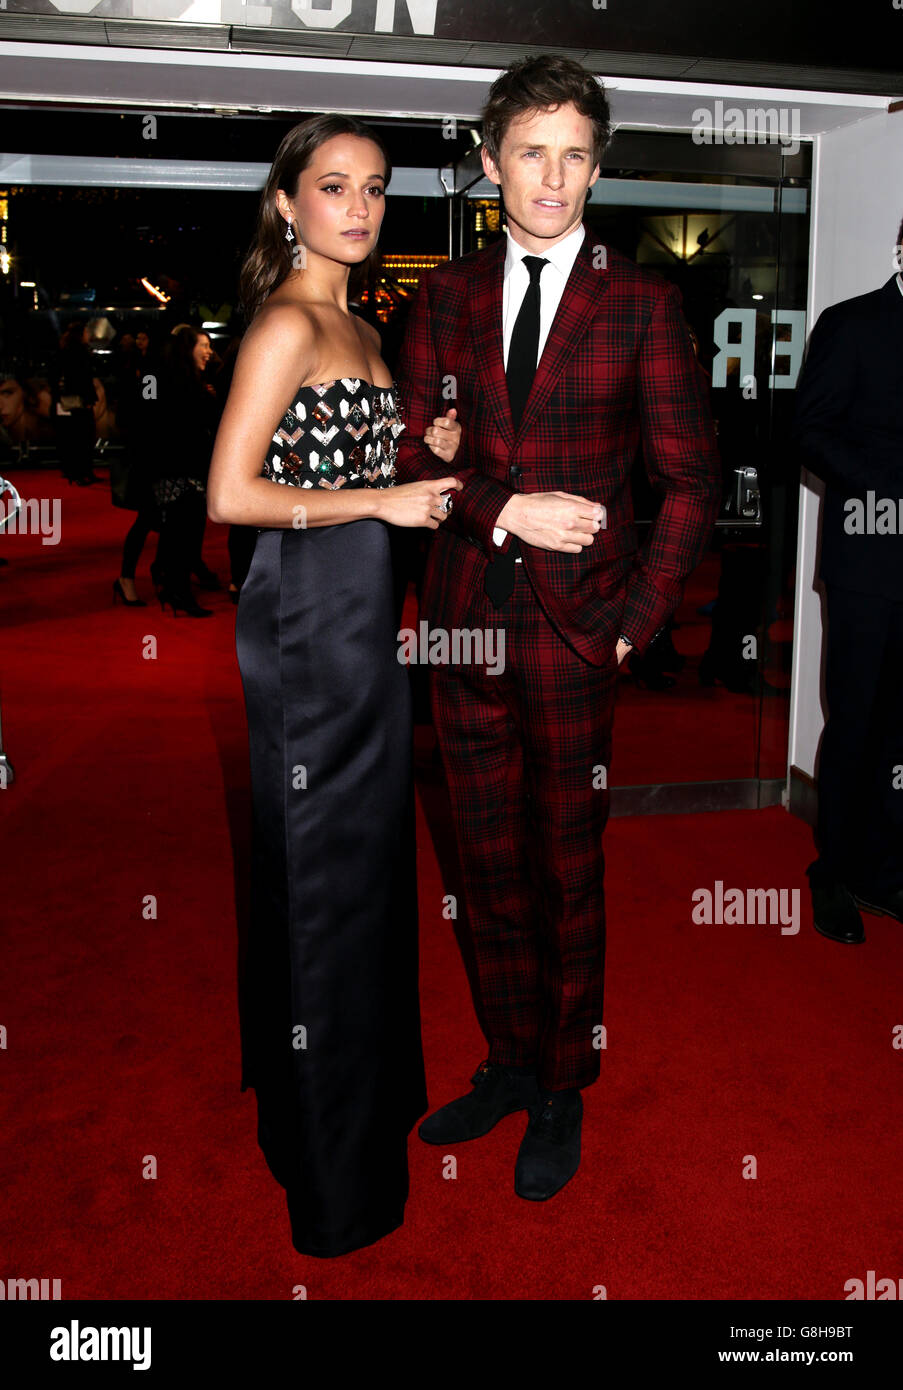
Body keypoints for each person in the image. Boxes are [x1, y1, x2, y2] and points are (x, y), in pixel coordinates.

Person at [395, 55, 722, 1201]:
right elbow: (408, 452)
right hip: (460, 624)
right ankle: (505, 1056)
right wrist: (497, 502)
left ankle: (561, 1086)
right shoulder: (439, 297)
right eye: (532, 151)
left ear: (597, 166)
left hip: (582, 635)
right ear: (490, 163)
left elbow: (692, 482)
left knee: (565, 867)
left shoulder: (640, 303)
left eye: (575, 154)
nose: (554, 176)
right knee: (482, 865)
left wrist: (636, 624)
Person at [206, 113, 463, 1257]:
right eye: (333, 187)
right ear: (287, 203)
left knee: (359, 872)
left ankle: (336, 1103)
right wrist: (380, 501)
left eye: (374, 189)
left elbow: (354, 460)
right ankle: (330, 1165)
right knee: (324, 880)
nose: (357, 207)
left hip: (361, 610)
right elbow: (229, 497)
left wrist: (424, 453)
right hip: (308, 615)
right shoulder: (283, 325)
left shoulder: (358, 323)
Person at [793, 216, 903, 945]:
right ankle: (831, 870)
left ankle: (881, 868)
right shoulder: (852, 324)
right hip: (868, 563)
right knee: (858, 720)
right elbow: (808, 430)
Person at [148, 325, 220, 616]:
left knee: (179, 532)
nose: (209, 351)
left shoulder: (185, 381)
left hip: (177, 469)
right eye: (203, 345)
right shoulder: (181, 384)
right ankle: (178, 592)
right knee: (183, 532)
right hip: (182, 470)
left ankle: (173, 586)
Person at [51, 323, 99, 486]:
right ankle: (82, 471)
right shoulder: (80, 353)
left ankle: (78, 471)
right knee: (83, 437)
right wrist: (87, 399)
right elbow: (82, 379)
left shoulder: (64, 352)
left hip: (68, 401)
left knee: (74, 437)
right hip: (80, 400)